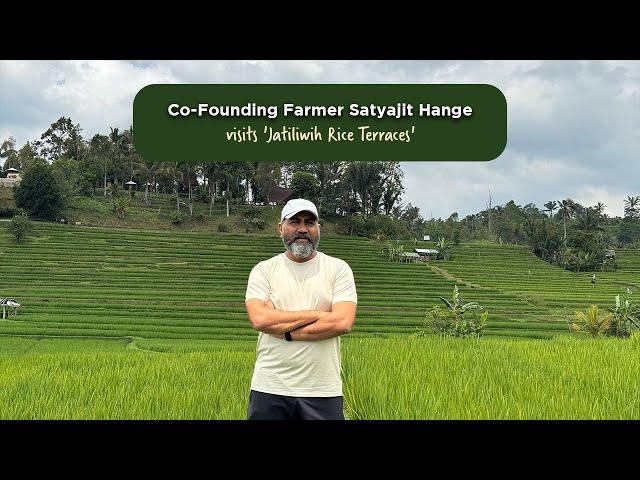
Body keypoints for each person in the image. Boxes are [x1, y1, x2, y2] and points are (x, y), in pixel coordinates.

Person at [244, 198, 358, 420]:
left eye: (309, 223)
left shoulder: (338, 269)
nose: (303, 229)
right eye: (295, 222)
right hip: (270, 387)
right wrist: (320, 315)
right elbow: (259, 319)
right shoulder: (264, 270)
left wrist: (283, 329)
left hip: (323, 390)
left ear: (318, 228)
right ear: (280, 228)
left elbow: (342, 322)